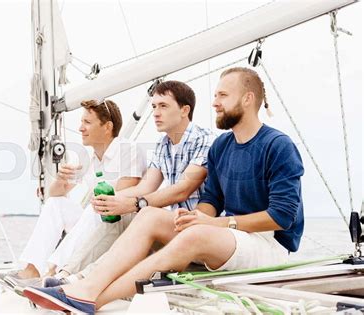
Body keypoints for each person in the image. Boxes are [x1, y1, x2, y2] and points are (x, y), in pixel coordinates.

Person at [23, 67, 305, 313]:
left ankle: (91, 299)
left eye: (223, 96)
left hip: (268, 243)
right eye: (216, 95)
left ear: (247, 99)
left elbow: (282, 217)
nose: (214, 103)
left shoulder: (277, 146)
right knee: (149, 217)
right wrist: (195, 217)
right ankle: (84, 284)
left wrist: (211, 222)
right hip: (229, 235)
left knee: (195, 232)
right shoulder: (222, 146)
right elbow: (212, 199)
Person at [39, 80, 215, 287]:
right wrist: (111, 201)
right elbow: (146, 187)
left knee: (138, 212)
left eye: (163, 106)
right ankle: (67, 275)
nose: (156, 113)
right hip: (176, 226)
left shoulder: (204, 139)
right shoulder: (163, 145)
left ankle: (84, 279)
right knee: (120, 213)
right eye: (154, 107)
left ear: (185, 110)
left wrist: (132, 204)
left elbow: (183, 190)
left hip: (201, 229)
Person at [0, 99, 146, 287]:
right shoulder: (90, 159)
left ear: (107, 127)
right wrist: (61, 179)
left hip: (122, 228)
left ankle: (55, 272)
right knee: (57, 205)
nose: (80, 128)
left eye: (87, 122)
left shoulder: (128, 150)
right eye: (81, 122)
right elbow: (53, 196)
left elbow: (123, 198)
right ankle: (32, 270)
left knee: (96, 206)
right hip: (96, 222)